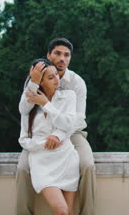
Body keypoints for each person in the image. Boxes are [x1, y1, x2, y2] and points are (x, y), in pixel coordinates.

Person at [16, 38, 96, 215]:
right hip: (40, 135)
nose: (62, 58)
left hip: (72, 132)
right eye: (57, 54)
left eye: (66, 55)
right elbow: (24, 110)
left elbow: (78, 119)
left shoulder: (76, 83)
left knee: (88, 165)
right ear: (48, 55)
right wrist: (35, 82)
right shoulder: (34, 78)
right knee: (22, 168)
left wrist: (59, 135)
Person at [19, 58, 79, 215]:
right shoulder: (29, 107)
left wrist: (46, 104)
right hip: (42, 162)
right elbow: (23, 140)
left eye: (56, 75)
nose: (56, 80)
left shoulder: (69, 96)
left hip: (66, 157)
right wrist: (45, 143)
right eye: (50, 78)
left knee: (69, 212)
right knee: (61, 210)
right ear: (41, 82)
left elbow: (69, 124)